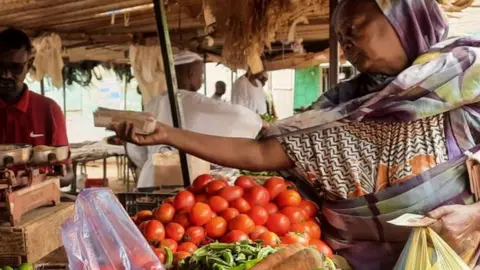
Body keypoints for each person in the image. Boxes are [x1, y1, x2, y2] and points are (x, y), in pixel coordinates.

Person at [112, 0, 480, 269]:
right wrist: (168, 134)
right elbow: (260, 154)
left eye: (353, 29)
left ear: (404, 16)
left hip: (453, 259)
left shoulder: (468, 85)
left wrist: (476, 215)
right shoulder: (342, 109)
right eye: (340, 36)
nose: (346, 43)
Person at [126, 51, 264, 188]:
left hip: (150, 181)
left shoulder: (153, 103)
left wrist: (153, 162)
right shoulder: (198, 102)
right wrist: (260, 123)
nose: (202, 79)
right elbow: (239, 117)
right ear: (191, 74)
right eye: (201, 74)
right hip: (186, 182)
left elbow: (135, 148)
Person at [0, 28, 74, 187]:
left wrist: (32, 181)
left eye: (15, 68)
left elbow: (68, 174)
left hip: (37, 204)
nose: (5, 75)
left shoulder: (49, 110)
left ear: (29, 65)